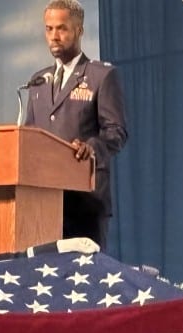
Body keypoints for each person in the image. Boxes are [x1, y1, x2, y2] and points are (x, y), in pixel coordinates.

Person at [25, 0, 128, 247]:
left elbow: (116, 132)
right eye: (48, 29)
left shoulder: (101, 76)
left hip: (85, 202)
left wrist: (92, 147)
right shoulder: (38, 81)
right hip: (42, 201)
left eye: (61, 28)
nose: (54, 36)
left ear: (79, 30)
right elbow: (29, 135)